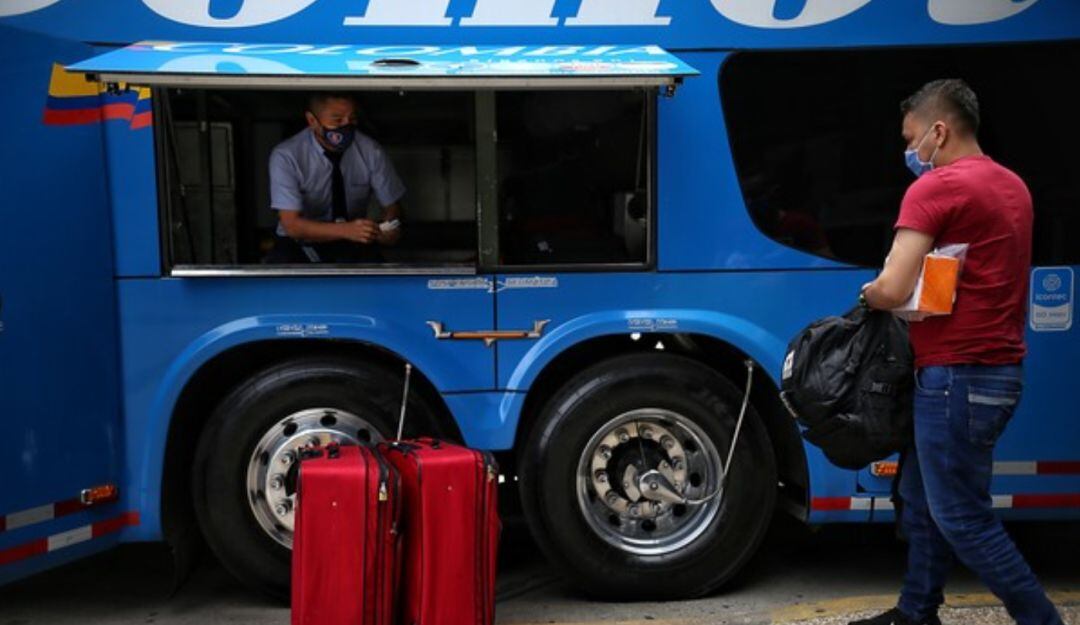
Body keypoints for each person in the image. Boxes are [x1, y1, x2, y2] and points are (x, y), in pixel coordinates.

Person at [855, 80, 1063, 625]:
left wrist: (870, 293)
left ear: (938, 131)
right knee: (923, 501)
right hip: (996, 371)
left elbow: (894, 288)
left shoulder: (934, 189)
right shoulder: (1013, 185)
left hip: (955, 379)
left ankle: (1042, 619)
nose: (908, 150)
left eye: (910, 137)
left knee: (962, 517)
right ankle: (916, 610)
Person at [265, 92, 403, 263]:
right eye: (337, 120)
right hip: (298, 244)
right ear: (312, 121)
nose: (346, 125)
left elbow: (392, 206)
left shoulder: (370, 151)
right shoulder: (287, 155)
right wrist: (345, 230)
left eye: (351, 119)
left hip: (354, 241)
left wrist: (389, 227)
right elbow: (291, 225)